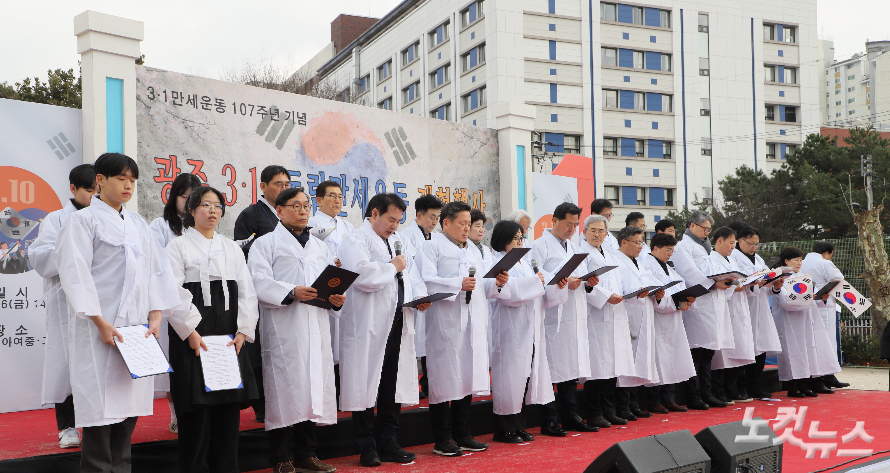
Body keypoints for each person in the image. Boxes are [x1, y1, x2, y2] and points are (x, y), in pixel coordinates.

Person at [56, 153, 181, 473]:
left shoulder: (138, 223)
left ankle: (121, 468)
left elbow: (157, 270)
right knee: (100, 414)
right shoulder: (81, 221)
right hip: (100, 331)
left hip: (137, 331)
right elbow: (76, 274)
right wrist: (99, 322)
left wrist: (155, 312)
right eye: (121, 179)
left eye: (132, 181)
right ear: (100, 180)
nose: (128, 186)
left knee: (128, 413)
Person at [164, 187, 259, 473]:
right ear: (191, 210)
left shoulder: (231, 248)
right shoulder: (177, 247)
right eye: (205, 205)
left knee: (227, 413)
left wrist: (243, 330)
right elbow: (172, 292)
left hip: (229, 340)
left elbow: (246, 291)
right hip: (193, 339)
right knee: (196, 415)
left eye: (218, 205)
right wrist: (190, 331)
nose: (212, 210)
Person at [248, 187, 342, 473]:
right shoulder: (265, 244)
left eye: (306, 206)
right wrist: (291, 291)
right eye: (296, 206)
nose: (303, 211)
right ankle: (280, 457)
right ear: (279, 210)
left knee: (312, 387)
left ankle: (306, 453)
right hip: (284, 327)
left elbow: (330, 281)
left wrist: (336, 299)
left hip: (315, 324)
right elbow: (257, 281)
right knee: (285, 388)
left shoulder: (320, 245)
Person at [338, 193, 430, 467]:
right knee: (366, 382)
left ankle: (389, 441)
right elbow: (362, 276)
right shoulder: (355, 239)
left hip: (398, 318)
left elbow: (411, 275)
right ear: (375, 213)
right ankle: (366, 446)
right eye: (391, 219)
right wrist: (392, 266)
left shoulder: (396, 242)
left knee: (392, 382)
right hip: (368, 323)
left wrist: (420, 297)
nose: (394, 226)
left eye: (398, 221)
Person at [416, 201, 501, 456]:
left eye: (469, 224)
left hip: (472, 321)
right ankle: (443, 438)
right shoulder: (431, 247)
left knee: (467, 376)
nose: (467, 229)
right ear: (446, 223)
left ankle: (463, 433)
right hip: (445, 323)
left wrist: (496, 281)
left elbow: (483, 285)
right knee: (443, 379)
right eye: (462, 224)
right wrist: (457, 284)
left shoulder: (473, 251)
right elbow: (427, 282)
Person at [29, 163, 96, 449]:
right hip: (67, 303)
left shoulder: (102, 218)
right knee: (66, 364)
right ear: (73, 189)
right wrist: (74, 255)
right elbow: (41, 257)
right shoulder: (56, 219)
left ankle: (95, 425)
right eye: (89, 190)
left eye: (98, 191)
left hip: (99, 302)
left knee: (95, 365)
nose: (94, 196)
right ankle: (67, 426)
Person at [488, 220, 562, 443]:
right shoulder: (496, 261)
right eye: (516, 239)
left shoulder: (523, 262)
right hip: (508, 327)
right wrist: (536, 283)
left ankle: (519, 425)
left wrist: (553, 283)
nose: (521, 242)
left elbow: (536, 287)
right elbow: (508, 294)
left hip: (527, 327)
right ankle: (503, 428)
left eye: (522, 238)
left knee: (524, 377)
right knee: (509, 378)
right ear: (504, 240)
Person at [533, 203, 599, 433]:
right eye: (568, 223)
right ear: (554, 220)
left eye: (575, 224)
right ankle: (549, 419)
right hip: (553, 315)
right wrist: (560, 282)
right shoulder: (538, 246)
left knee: (570, 366)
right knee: (551, 368)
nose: (572, 229)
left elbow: (577, 276)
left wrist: (586, 282)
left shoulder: (573, 247)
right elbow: (537, 276)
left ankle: (570, 415)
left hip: (574, 313)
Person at [234, 164, 291, 423]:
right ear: (263, 187)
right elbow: (241, 251)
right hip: (261, 290)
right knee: (260, 349)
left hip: (290, 292)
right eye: (277, 184)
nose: (282, 189)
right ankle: (261, 404)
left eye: (286, 184)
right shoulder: (250, 215)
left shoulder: (289, 214)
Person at [149, 172, 203, 434]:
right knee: (172, 360)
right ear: (174, 198)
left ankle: (196, 412)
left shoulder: (201, 228)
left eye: (195, 197)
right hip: (169, 301)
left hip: (198, 301)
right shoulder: (159, 226)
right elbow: (154, 263)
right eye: (185, 197)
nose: (189, 202)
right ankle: (176, 414)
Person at [669, 211, 734, 410]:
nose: (707, 232)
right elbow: (689, 272)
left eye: (709, 229)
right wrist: (714, 285)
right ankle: (694, 394)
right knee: (697, 353)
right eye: (704, 228)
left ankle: (706, 392)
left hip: (712, 304)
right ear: (692, 226)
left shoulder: (705, 247)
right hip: (697, 303)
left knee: (708, 353)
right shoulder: (683, 247)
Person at [578, 215, 633, 428]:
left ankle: (609, 410)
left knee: (612, 364)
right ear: (584, 232)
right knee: (596, 366)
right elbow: (584, 283)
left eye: (601, 231)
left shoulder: (610, 254)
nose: (597, 234)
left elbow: (620, 280)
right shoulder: (580, 253)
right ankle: (593, 412)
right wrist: (604, 296)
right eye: (593, 230)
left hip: (614, 312)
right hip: (595, 314)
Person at [308, 180, 356, 402]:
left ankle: (343, 390)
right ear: (318, 200)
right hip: (323, 285)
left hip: (345, 287)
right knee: (326, 339)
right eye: (332, 196)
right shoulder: (310, 223)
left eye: (340, 196)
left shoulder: (348, 226)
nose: (337, 200)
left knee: (343, 339)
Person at [772, 247, 842, 397]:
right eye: (795, 259)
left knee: (807, 352)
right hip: (790, 321)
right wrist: (804, 298)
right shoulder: (781, 278)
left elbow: (810, 299)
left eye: (800, 259)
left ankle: (805, 385)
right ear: (786, 261)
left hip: (805, 320)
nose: (799, 262)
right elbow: (783, 300)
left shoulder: (804, 276)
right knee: (793, 352)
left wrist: (818, 297)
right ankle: (793, 387)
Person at [639, 233, 696, 414]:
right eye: (668, 250)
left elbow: (678, 288)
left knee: (673, 358)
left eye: (672, 250)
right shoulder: (647, 266)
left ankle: (669, 398)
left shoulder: (668, 267)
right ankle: (654, 400)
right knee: (657, 360)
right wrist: (678, 303)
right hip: (657, 319)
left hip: (673, 319)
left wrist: (686, 299)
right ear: (655, 248)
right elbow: (657, 295)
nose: (670, 254)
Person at [612, 226, 663, 420]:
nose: (641, 247)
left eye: (642, 243)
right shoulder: (616, 261)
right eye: (637, 242)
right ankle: (623, 406)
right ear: (624, 242)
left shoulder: (638, 262)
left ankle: (634, 403)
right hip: (626, 313)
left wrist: (655, 290)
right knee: (627, 360)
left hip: (642, 311)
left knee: (639, 359)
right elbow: (622, 287)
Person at [398, 194, 444, 399]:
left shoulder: (438, 239)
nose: (435, 222)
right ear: (418, 215)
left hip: (433, 295)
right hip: (415, 296)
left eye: (437, 218)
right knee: (416, 342)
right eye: (431, 217)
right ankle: (415, 385)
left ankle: (430, 383)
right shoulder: (404, 237)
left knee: (433, 341)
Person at [730, 226, 782, 399]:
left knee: (761, 347)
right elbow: (737, 284)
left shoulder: (758, 259)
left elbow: (764, 281)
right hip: (745, 306)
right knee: (746, 348)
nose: (754, 247)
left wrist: (774, 284)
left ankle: (755, 384)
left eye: (757, 244)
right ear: (740, 241)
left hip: (761, 306)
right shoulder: (734, 259)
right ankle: (741, 386)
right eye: (751, 243)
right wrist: (756, 283)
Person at [706, 227, 755, 404]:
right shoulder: (711, 260)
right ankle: (719, 390)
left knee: (736, 351)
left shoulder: (731, 260)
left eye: (735, 243)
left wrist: (747, 283)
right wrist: (734, 286)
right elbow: (714, 284)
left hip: (736, 308)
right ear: (719, 240)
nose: (733, 247)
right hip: (721, 309)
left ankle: (731, 388)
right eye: (731, 243)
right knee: (721, 355)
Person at [800, 242, 851, 389]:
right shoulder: (824, 263)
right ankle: (821, 378)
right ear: (826, 253)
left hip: (806, 306)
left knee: (813, 343)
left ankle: (828, 376)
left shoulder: (802, 263)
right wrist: (855, 303)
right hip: (824, 307)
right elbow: (838, 280)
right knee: (826, 343)